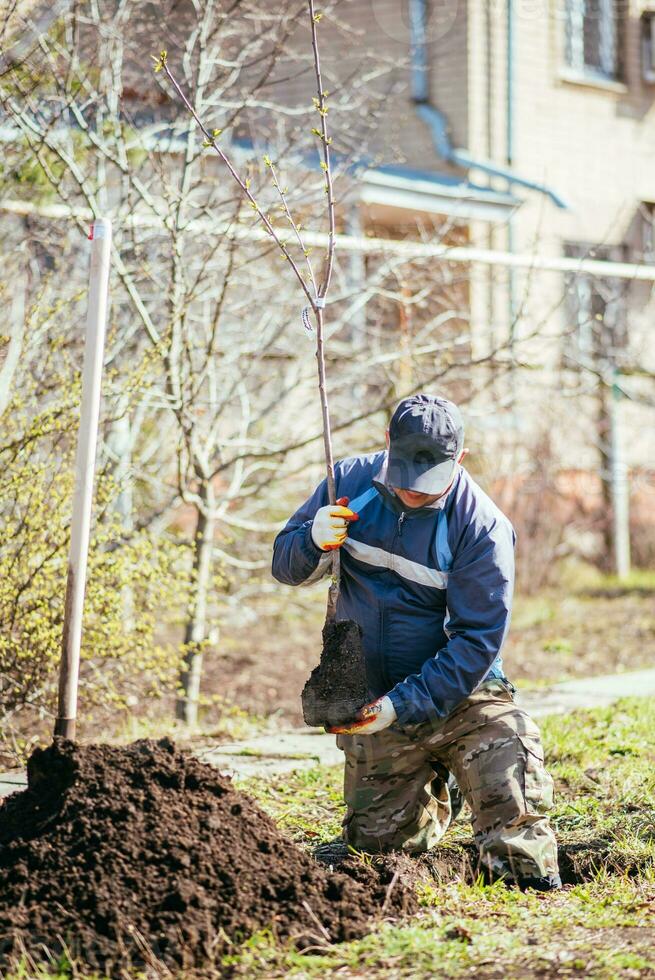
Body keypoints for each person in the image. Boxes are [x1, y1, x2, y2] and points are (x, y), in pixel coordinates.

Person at [272, 393, 560, 890]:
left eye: (428, 483)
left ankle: (518, 860)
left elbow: (476, 642)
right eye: (405, 476)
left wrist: (403, 704)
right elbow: (283, 564)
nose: (413, 494)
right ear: (387, 445)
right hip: (374, 693)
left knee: (508, 739)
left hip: (460, 694)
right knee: (376, 849)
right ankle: (428, 791)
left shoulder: (482, 527)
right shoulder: (349, 483)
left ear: (460, 460)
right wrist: (310, 540)